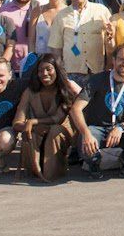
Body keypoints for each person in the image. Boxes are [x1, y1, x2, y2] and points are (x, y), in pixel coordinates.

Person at [76, 44, 124, 177]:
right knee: (84, 139)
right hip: (97, 128)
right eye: (121, 59)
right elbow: (76, 109)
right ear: (114, 60)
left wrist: (121, 128)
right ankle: (94, 163)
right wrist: (86, 133)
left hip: (120, 130)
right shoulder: (97, 79)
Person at [14, 53, 83, 182]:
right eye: (40, 70)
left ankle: (53, 171)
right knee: (31, 132)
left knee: (54, 130)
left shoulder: (65, 89)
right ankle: (36, 169)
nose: (44, 73)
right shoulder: (30, 92)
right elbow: (17, 122)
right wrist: (30, 126)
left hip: (61, 132)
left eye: (48, 69)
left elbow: (58, 119)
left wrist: (34, 121)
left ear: (56, 70)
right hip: (40, 132)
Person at [51, 0, 112, 77]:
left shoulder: (101, 10)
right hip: (71, 71)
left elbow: (110, 40)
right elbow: (55, 46)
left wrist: (109, 65)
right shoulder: (61, 15)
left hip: (97, 70)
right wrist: (61, 70)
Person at [28, 0, 65, 68]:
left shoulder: (69, 11)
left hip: (63, 61)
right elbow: (31, 40)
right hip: (41, 61)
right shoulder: (37, 11)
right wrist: (33, 59)